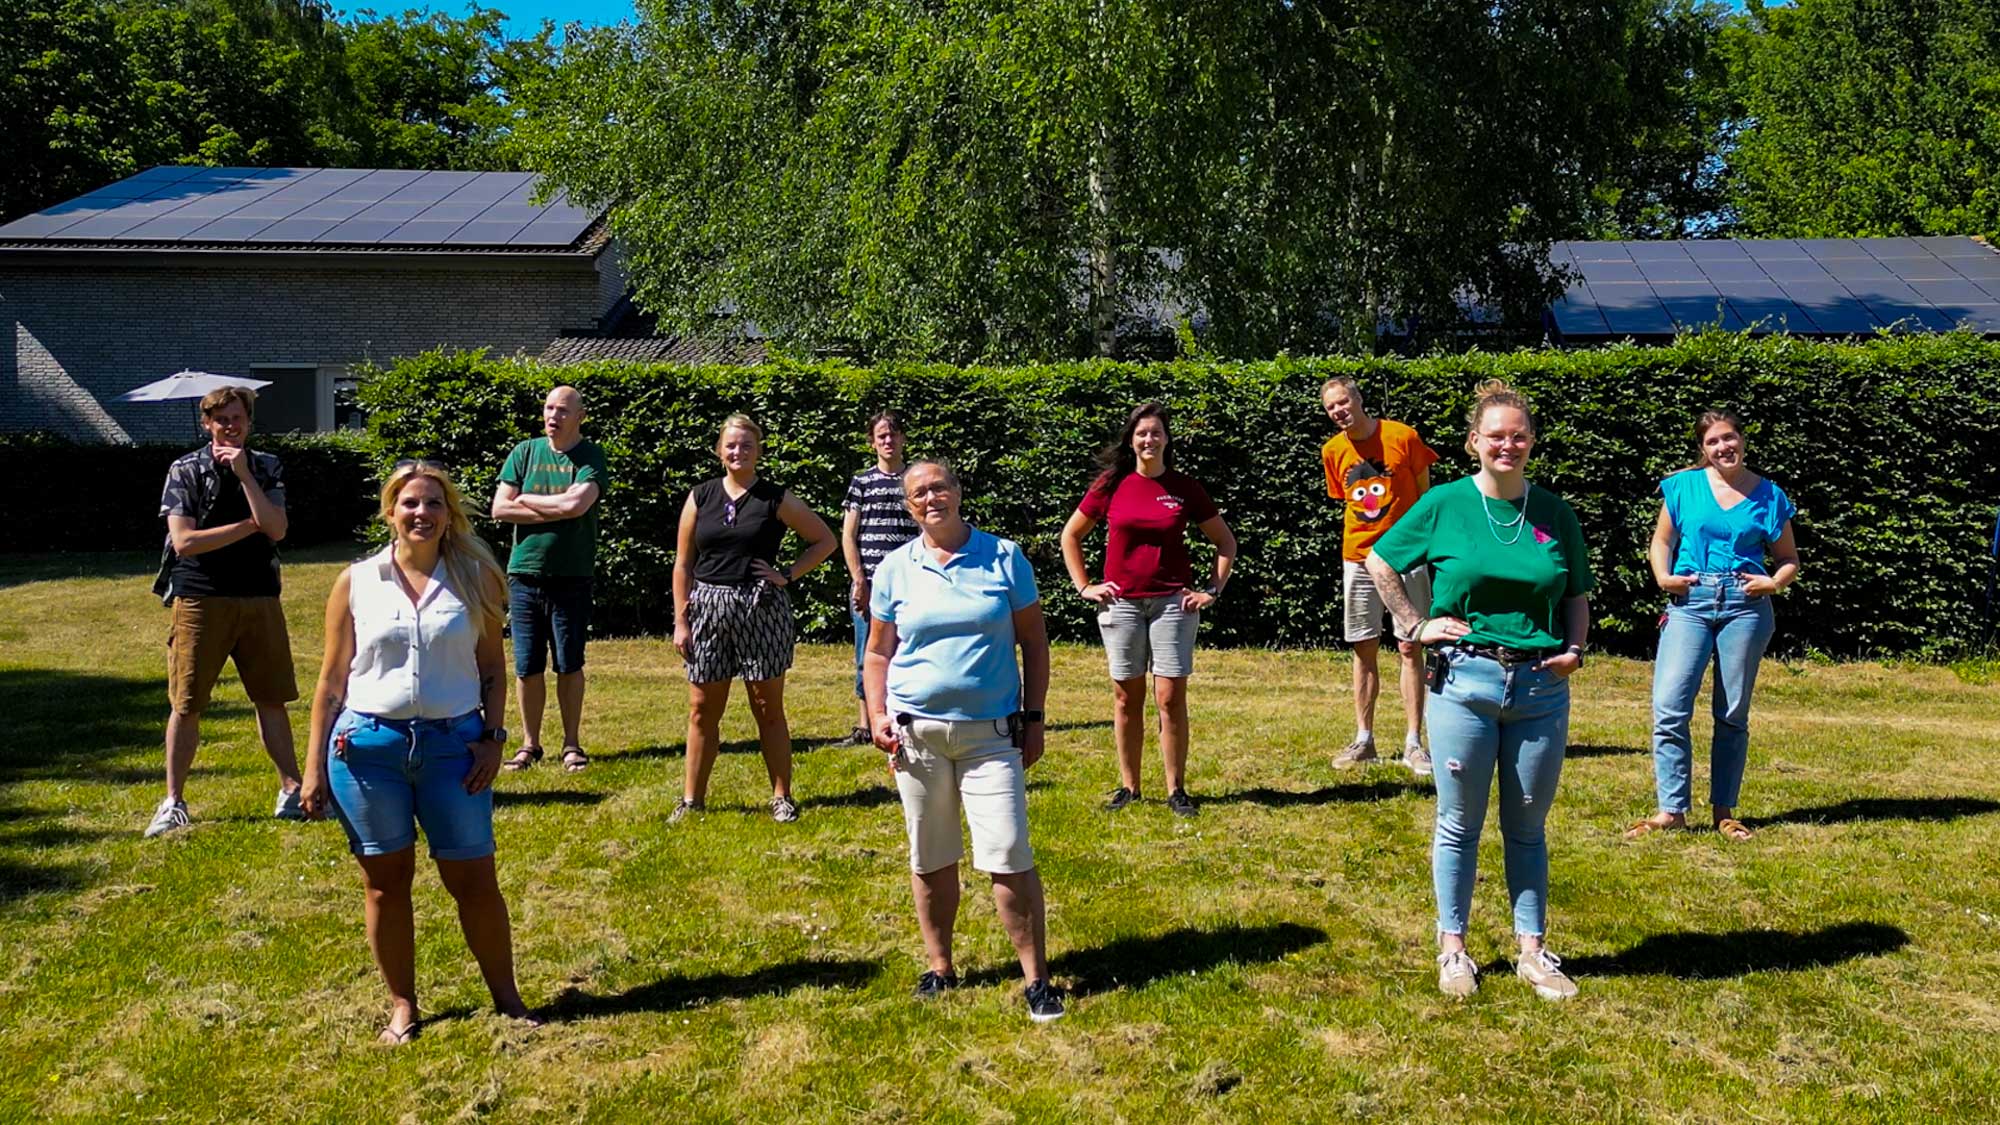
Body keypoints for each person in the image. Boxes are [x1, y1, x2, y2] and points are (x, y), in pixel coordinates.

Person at [1365, 379, 1592, 1002]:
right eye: (1496, 435)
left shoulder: (1555, 513)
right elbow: (1381, 560)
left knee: (1527, 825)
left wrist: (1576, 649)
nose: (1508, 445)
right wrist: (1413, 625)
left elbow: (1576, 594)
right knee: (1458, 822)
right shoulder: (1444, 504)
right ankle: (1454, 950)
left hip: (1542, 687)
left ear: (1531, 443)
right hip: (1462, 681)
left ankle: (1532, 951)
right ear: (1474, 442)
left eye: (1518, 435)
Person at [298, 461, 536, 1044]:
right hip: (366, 750)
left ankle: (507, 997)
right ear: (390, 511)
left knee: (475, 880)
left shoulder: (474, 578)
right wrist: (310, 770)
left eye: (433, 504)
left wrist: (493, 739)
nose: (421, 514)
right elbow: (331, 682)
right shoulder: (356, 581)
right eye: (410, 503)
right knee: (385, 883)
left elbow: (492, 674)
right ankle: (403, 1004)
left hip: (454, 749)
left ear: (449, 514)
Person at [863, 460, 1064, 1022]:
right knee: (931, 857)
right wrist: (876, 713)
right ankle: (941, 966)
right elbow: (878, 652)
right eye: (919, 493)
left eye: (940, 487)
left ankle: (1036, 980)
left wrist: (1035, 717)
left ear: (958, 492)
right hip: (915, 736)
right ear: (908, 506)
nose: (932, 498)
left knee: (1008, 854)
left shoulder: (1005, 556)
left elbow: (1035, 643)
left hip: (992, 736)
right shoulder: (894, 569)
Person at [1627, 411, 1800, 843]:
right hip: (1690, 603)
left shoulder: (1770, 495)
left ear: (1742, 439)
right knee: (1669, 707)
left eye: (1729, 438)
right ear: (1703, 449)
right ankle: (1672, 811)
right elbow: (1662, 540)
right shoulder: (1683, 487)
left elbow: (1788, 558)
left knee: (1732, 712)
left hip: (1746, 606)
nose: (1724, 447)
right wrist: (1663, 578)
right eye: (1713, 442)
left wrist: (1774, 581)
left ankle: (1724, 810)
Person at [1059, 402, 1238, 816]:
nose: (1149, 440)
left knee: (1170, 696)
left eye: (1156, 433)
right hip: (1120, 604)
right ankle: (1129, 786)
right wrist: (1084, 586)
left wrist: (1212, 589)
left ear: (1166, 439)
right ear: (1131, 439)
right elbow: (1071, 536)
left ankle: (1177, 789)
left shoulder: (1185, 487)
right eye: (1142, 433)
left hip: (1172, 604)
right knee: (1126, 697)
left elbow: (1225, 542)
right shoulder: (1110, 485)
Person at [146, 384, 303, 837]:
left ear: (249, 422)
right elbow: (185, 542)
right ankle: (173, 801)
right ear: (207, 424)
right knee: (188, 701)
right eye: (221, 420)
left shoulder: (266, 466)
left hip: (259, 596)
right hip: (200, 597)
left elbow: (276, 529)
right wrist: (249, 526)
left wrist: (246, 479)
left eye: (237, 418)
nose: (230, 426)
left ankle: (290, 789)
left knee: (271, 698)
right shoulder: (186, 470)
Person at [671, 414, 837, 823]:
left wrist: (787, 576)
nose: (738, 451)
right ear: (719, 450)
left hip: (760, 608)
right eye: (730, 445)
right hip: (707, 607)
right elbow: (682, 563)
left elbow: (825, 540)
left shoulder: (775, 498)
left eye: (746, 445)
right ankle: (692, 801)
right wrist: (681, 619)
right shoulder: (700, 496)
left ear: (758, 450)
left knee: (767, 706)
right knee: (701, 708)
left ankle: (782, 796)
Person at [1322, 375, 1438, 775]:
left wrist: (1422, 545)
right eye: (1331, 407)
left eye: (1343, 402)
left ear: (1358, 399)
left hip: (1405, 557)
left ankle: (1414, 744)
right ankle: (1364, 739)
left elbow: (1425, 493)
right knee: (1363, 647)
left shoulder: (1404, 437)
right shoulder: (1333, 451)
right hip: (1357, 558)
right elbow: (1347, 500)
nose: (1339, 411)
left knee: (1410, 646)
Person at [492, 385, 608, 773]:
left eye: (562, 410)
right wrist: (555, 509)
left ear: (580, 416)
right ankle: (529, 744)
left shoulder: (589, 456)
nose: (553, 416)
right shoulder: (524, 452)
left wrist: (526, 500)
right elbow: (499, 508)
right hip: (524, 575)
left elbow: (578, 505)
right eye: (549, 408)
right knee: (526, 665)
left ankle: (572, 744)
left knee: (569, 663)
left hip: (572, 576)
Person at [840, 410, 921, 744]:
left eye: (893, 434)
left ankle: (907, 715)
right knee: (867, 653)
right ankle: (865, 723)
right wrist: (859, 579)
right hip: (870, 584)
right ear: (872, 442)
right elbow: (848, 535)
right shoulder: (862, 482)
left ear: (902, 439)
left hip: (911, 583)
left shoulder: (915, 481)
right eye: (881, 436)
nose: (888, 441)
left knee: (909, 650)